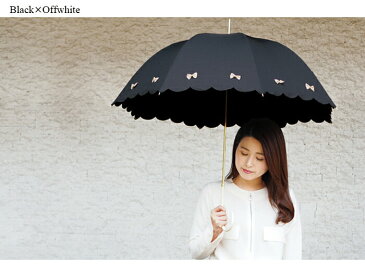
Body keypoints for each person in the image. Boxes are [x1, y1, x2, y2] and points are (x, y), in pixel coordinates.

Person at [189, 117, 302, 260]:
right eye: (243, 153)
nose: (249, 163)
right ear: (235, 149)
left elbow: (293, 257)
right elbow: (195, 252)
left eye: (260, 158)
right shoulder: (213, 192)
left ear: (273, 160)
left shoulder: (285, 197)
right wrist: (214, 231)